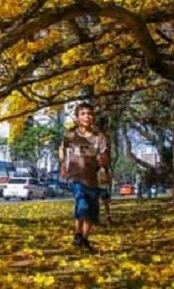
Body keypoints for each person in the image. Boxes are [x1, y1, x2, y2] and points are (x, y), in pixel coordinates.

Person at [59, 102, 110, 251]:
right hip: (76, 178)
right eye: (83, 114)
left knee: (91, 211)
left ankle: (84, 239)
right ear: (77, 118)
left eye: (89, 113)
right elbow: (62, 148)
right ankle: (77, 233)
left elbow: (104, 154)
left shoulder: (98, 137)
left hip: (92, 179)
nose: (87, 116)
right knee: (82, 204)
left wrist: (103, 161)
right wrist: (63, 164)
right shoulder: (71, 135)